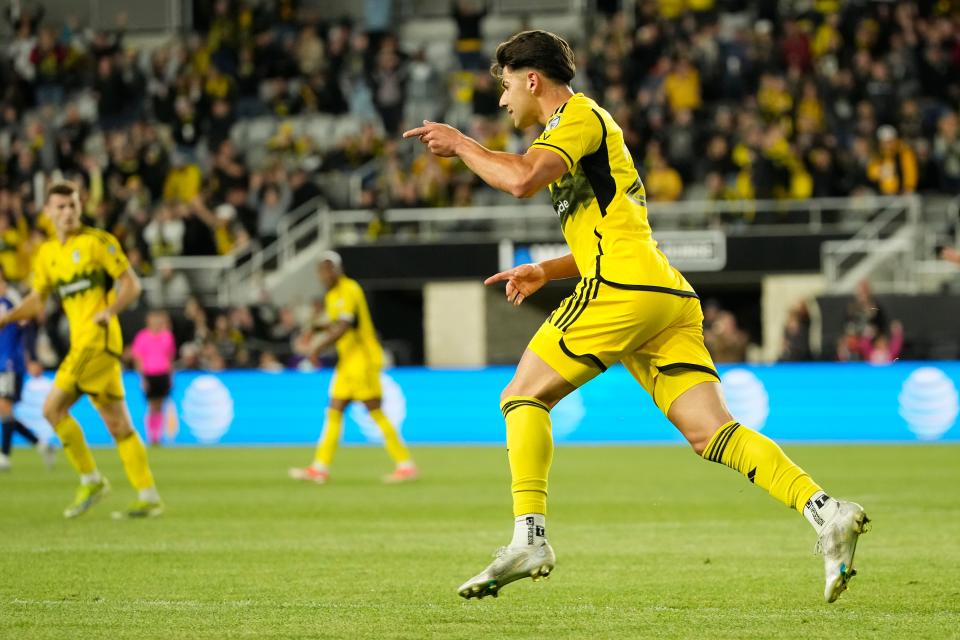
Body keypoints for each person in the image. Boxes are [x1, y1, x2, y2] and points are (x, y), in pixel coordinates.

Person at [403, 30, 869, 603]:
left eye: (503, 87)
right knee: (712, 434)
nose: (502, 102)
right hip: (662, 294)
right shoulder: (577, 137)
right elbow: (611, 229)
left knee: (521, 397)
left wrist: (461, 143)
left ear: (531, 80)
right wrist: (545, 271)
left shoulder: (577, 117)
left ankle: (530, 537)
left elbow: (520, 179)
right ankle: (827, 512)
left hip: (621, 289)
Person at [0, 181, 163, 518]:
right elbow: (36, 300)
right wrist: (7, 318)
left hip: (99, 341)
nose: (68, 212)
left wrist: (111, 310)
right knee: (119, 425)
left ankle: (91, 479)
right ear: (48, 213)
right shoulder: (47, 254)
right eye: (60, 207)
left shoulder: (98, 242)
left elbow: (132, 284)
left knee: (52, 408)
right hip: (84, 344)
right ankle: (148, 495)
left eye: (72, 205)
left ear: (80, 207)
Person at [289, 252, 418, 484]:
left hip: (362, 360)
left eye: (327, 270)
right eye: (320, 271)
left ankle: (405, 464)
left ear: (337, 270)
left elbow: (344, 325)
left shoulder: (350, 289)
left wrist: (317, 347)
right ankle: (319, 467)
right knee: (334, 411)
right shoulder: (333, 295)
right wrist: (313, 330)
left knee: (374, 410)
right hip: (347, 361)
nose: (323, 275)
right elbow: (332, 321)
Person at [0, 268, 55, 471]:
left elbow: (28, 328)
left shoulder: (11, 301)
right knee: (5, 411)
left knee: (4, 406)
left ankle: (4, 456)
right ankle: (40, 444)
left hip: (10, 362)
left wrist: (31, 357)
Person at [130, 310, 177, 446]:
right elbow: (138, 358)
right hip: (149, 374)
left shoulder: (167, 336)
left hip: (163, 374)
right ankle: (151, 435)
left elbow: (170, 357)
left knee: (161, 405)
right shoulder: (142, 337)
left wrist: (170, 375)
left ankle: (158, 435)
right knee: (152, 405)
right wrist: (142, 377)